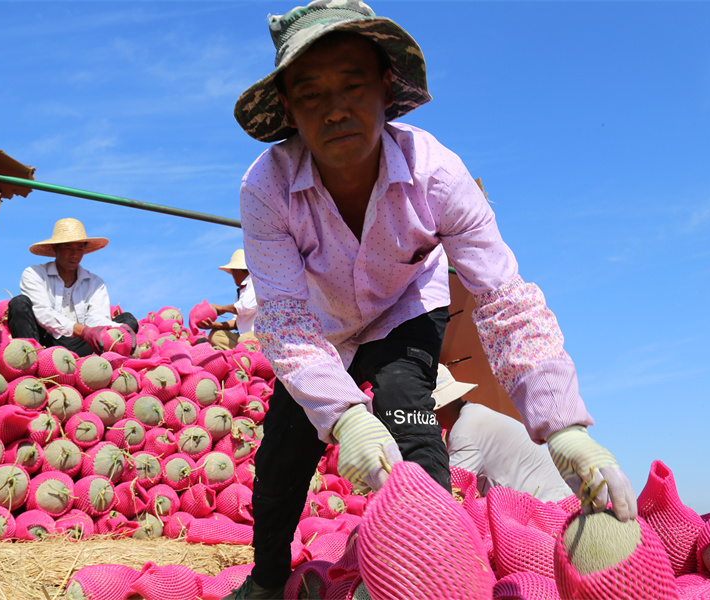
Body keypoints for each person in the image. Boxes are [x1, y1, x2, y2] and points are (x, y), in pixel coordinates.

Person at [226, 2, 637, 597]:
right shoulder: (266, 189)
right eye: (310, 93)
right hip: (317, 329)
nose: (335, 108)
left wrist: (563, 426)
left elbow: (503, 300)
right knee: (282, 459)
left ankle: (429, 568)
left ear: (386, 88)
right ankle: (265, 583)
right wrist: (342, 419)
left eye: (353, 84)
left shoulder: (436, 175)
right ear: (287, 108)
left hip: (404, 308)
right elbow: (286, 321)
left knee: (408, 411)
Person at [432, 364, 573, 503]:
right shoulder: (473, 416)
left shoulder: (464, 430)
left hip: (548, 508)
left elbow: (450, 490)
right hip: (554, 500)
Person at [8, 218, 138, 357]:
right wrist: (82, 331)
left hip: (81, 345)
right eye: (68, 247)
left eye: (80, 248)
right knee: (19, 303)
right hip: (44, 341)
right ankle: (31, 360)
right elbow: (42, 313)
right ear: (55, 248)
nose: (74, 254)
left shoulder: (95, 283)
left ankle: (92, 361)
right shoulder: (34, 274)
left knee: (128, 321)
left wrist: (118, 329)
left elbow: (96, 318)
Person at [199, 249, 259, 349]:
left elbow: (244, 307)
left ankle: (249, 351)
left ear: (237, 271)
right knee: (215, 335)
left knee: (244, 340)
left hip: (258, 335)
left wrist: (222, 309)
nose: (232, 275)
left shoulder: (254, 284)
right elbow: (237, 323)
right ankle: (241, 352)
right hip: (244, 337)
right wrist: (214, 325)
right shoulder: (240, 292)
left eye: (232, 272)